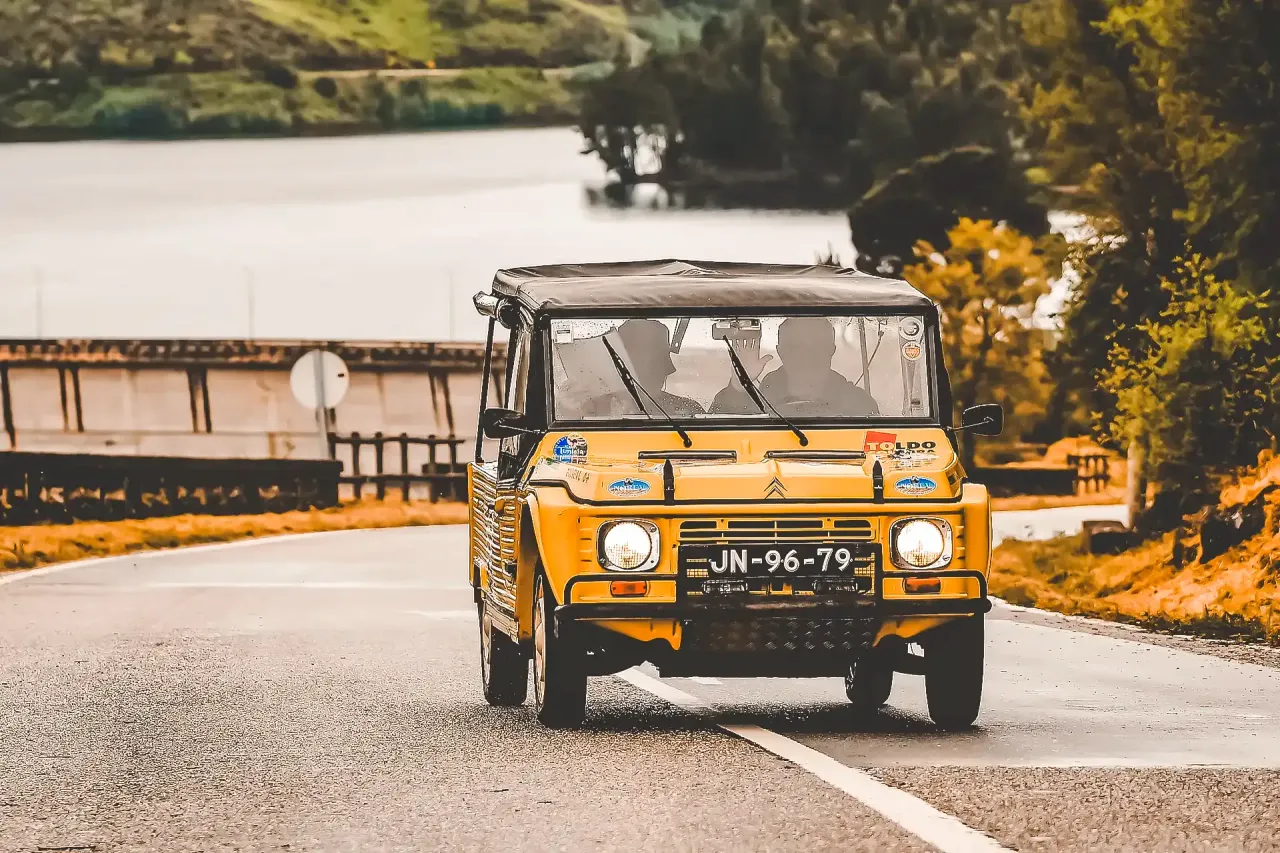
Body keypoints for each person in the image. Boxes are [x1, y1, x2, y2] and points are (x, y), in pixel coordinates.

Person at [711, 317, 879, 416]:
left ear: (831, 350)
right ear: (781, 352)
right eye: (796, 347)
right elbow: (715, 437)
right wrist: (738, 385)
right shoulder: (757, 401)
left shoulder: (858, 403)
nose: (806, 356)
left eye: (817, 346)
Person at [575, 318, 704, 418]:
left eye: (658, 361)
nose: (665, 371)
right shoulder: (589, 408)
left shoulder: (689, 410)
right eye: (648, 362)